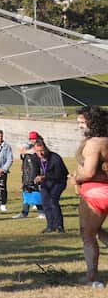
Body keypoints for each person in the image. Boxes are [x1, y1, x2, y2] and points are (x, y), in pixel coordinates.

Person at [73, 105, 108, 288]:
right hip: (104, 190)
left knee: (87, 235)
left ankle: (91, 276)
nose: (79, 126)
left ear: (92, 123)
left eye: (82, 122)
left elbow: (89, 172)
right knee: (97, 231)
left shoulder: (94, 144)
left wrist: (75, 178)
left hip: (94, 193)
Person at [31, 134, 68, 234]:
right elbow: (35, 171)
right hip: (45, 181)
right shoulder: (35, 158)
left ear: (46, 148)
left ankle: (59, 226)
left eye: (42, 150)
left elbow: (59, 174)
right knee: (45, 202)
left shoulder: (55, 158)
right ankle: (50, 226)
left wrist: (44, 177)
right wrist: (35, 178)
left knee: (53, 201)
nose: (40, 153)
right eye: (38, 151)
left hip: (59, 181)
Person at [16, 132, 43, 219]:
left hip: (35, 174)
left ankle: (42, 213)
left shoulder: (39, 147)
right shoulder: (28, 147)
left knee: (36, 195)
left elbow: (35, 153)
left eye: (34, 138)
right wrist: (23, 151)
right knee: (26, 194)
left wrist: (25, 151)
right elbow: (22, 155)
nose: (32, 140)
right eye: (31, 139)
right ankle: (24, 213)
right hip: (27, 174)